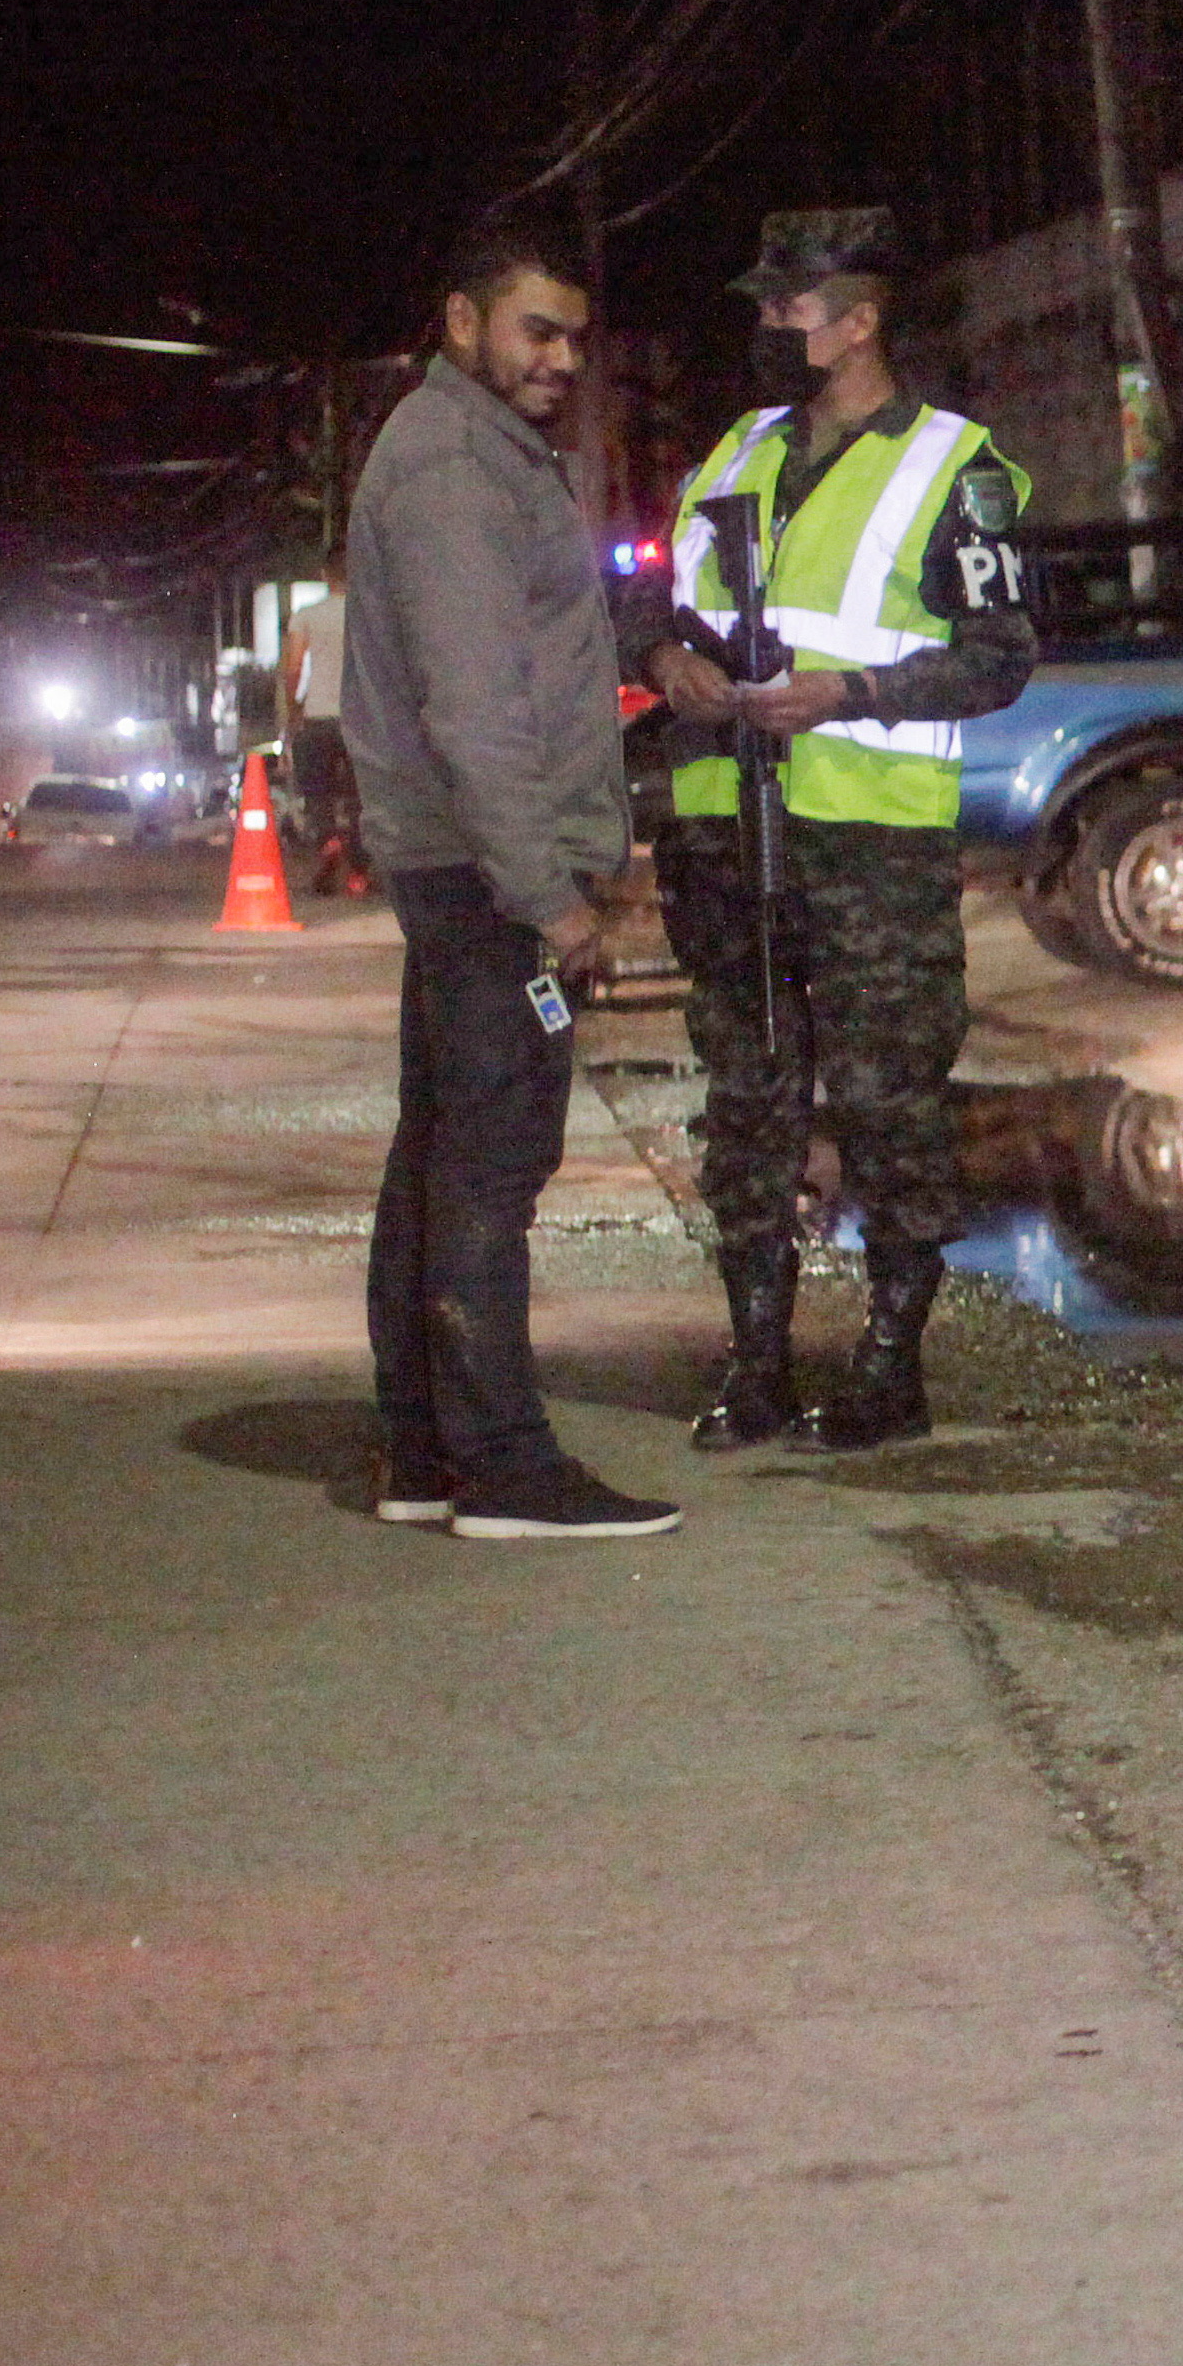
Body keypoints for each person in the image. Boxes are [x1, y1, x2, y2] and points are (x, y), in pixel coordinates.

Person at [628, 206, 1036, 1454]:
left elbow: (1001, 657)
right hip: (722, 828)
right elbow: (649, 596)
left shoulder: (951, 468)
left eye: (787, 307)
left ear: (859, 322)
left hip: (870, 841)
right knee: (747, 1098)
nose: (764, 326)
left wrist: (847, 693)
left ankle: (888, 1368)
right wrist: (662, 657)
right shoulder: (735, 451)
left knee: (884, 1099)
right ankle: (755, 1368)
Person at [345, 217, 673, 1542]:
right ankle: (504, 1468)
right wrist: (551, 893)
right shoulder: (452, 470)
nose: (561, 358)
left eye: (575, 339)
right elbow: (477, 706)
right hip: (487, 873)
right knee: (490, 1160)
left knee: (441, 1155)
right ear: (461, 321)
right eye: (536, 330)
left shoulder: (479, 456)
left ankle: (428, 1454)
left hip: (469, 861)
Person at [276, 546, 368, 895]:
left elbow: (294, 666)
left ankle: (328, 841)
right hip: (360, 719)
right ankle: (360, 871)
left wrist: (294, 707)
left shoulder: (307, 615)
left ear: (324, 575)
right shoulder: (367, 615)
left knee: (317, 792)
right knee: (361, 798)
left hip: (318, 717)